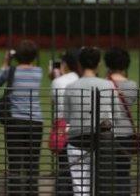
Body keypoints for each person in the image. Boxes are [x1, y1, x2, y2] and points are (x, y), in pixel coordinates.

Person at [63, 47, 117, 196]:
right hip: (102, 141)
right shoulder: (108, 85)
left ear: (79, 64)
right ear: (98, 64)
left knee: (80, 188)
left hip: (77, 141)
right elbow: (116, 115)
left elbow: (66, 117)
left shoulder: (71, 87)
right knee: (102, 186)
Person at [0, 39, 44, 195]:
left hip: (15, 121)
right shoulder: (38, 72)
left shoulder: (11, 71)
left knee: (15, 163)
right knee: (32, 164)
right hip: (36, 121)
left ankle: (14, 192)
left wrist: (5, 62)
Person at [102, 47, 138, 196]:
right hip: (127, 134)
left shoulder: (103, 84)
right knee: (124, 173)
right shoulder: (132, 85)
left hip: (108, 134)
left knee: (105, 175)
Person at [52, 48, 80, 195]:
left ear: (65, 64)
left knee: (63, 168)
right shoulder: (80, 80)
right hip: (78, 128)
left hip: (62, 128)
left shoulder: (57, 82)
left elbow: (54, 102)